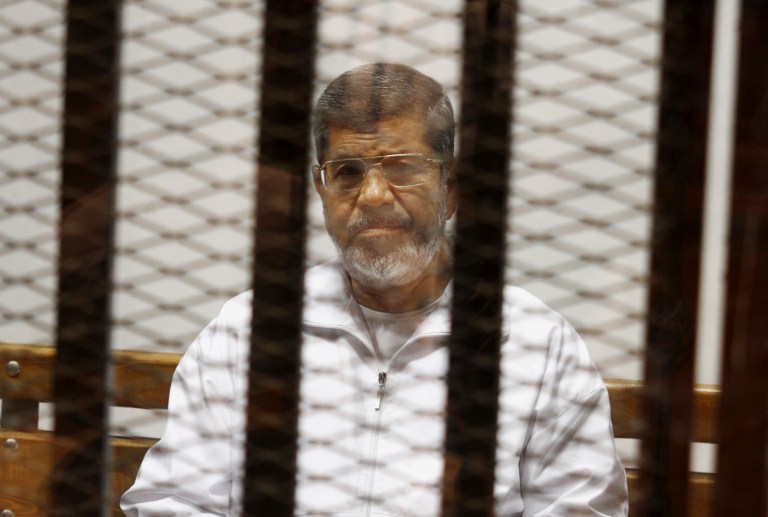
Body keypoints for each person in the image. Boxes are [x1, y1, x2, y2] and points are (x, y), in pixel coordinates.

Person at [121, 63, 628, 516]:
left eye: (403, 168)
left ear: (452, 188)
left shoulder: (535, 344)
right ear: (321, 190)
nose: (374, 196)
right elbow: (174, 500)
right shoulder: (248, 332)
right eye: (348, 172)